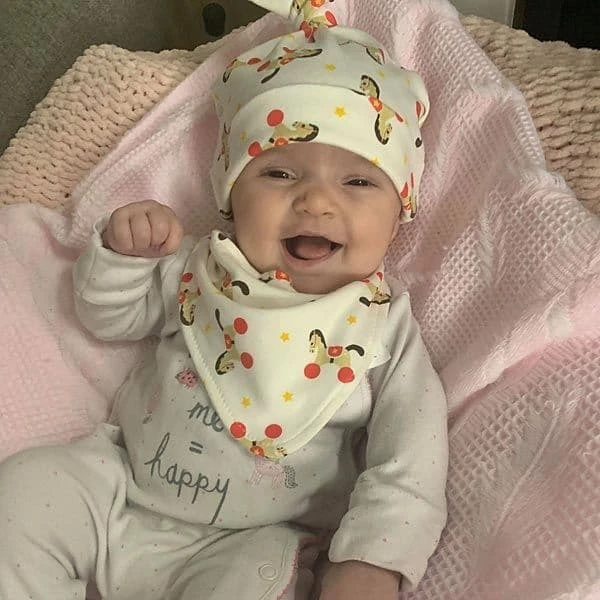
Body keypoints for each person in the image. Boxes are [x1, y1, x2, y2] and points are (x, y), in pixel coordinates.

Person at [0, 1, 448, 598]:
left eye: (358, 181)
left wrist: (373, 558)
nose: (316, 202)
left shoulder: (382, 328)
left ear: (399, 216)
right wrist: (124, 258)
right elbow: (108, 318)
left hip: (255, 539)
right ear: (231, 195)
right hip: (118, 487)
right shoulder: (202, 268)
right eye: (280, 174)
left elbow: (411, 457)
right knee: (23, 494)